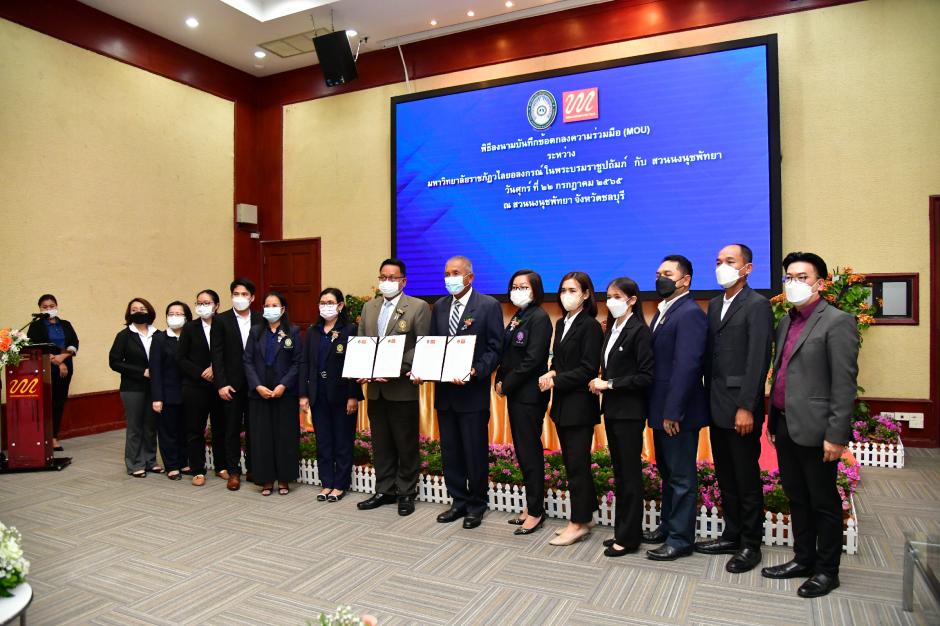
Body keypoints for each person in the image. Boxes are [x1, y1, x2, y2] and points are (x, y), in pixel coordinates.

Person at [762, 251, 859, 598]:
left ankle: (827, 571)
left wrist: (836, 435)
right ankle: (803, 559)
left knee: (823, 502)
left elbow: (844, 385)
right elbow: (782, 372)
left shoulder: (837, 321)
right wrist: (772, 419)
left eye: (802, 277)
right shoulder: (786, 321)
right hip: (785, 423)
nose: (794, 283)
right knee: (796, 496)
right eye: (789, 277)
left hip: (818, 430)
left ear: (820, 283)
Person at [695, 244, 773, 572]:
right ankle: (731, 534)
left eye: (729, 261)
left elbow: (757, 360)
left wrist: (747, 406)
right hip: (716, 404)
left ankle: (750, 544)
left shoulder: (757, 305)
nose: (721, 266)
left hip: (740, 408)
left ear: (747, 268)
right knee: (725, 475)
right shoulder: (714, 304)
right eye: (718, 261)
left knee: (746, 477)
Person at [426, 256, 503, 530]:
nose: (450, 278)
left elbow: (495, 348)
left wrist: (475, 371)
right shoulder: (440, 306)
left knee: (474, 451)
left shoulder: (488, 305)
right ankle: (458, 501)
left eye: (455, 273)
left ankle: (477, 504)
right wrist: (423, 368)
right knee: (451, 452)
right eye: (447, 273)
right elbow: (433, 345)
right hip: (445, 393)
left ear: (470, 277)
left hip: (472, 393)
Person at [356, 259, 431, 516]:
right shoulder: (369, 307)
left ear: (403, 281)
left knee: (405, 443)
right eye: (383, 277)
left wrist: (393, 368)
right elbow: (362, 343)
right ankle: (384, 490)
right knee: (381, 443)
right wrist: (363, 368)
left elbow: (421, 345)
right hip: (375, 390)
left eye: (392, 278)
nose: (386, 282)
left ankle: (406, 492)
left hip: (401, 388)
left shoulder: (418, 307)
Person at [645, 255, 709, 561]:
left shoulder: (690, 313)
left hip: (677, 413)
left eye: (668, 274)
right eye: (659, 273)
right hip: (661, 408)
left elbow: (687, 366)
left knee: (682, 477)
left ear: (685, 280)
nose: (661, 278)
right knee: (668, 473)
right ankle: (668, 527)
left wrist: (673, 412)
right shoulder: (665, 310)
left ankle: (681, 539)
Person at [589, 277, 654, 556]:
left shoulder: (639, 331)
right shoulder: (611, 328)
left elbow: (646, 376)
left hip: (630, 412)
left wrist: (610, 384)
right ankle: (623, 531)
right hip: (614, 411)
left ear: (632, 300)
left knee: (629, 475)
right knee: (621, 474)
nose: (611, 301)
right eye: (609, 296)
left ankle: (629, 538)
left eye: (617, 296)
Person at [538, 271, 603, 546]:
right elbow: (560, 362)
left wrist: (556, 379)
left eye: (573, 290)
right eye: (563, 290)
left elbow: (588, 369)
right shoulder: (561, 322)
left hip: (580, 406)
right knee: (573, 464)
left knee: (577, 466)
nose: (567, 295)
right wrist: (552, 371)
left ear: (586, 294)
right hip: (563, 404)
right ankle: (587, 516)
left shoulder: (590, 326)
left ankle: (578, 523)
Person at [495, 270, 552, 535]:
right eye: (514, 286)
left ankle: (536, 512)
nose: (517, 291)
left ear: (535, 290)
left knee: (530, 453)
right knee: (523, 451)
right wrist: (499, 378)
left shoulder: (539, 317)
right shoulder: (519, 316)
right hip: (517, 394)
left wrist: (506, 384)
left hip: (529, 395)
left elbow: (532, 360)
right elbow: (508, 354)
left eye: (523, 286)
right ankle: (532, 506)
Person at [300, 288, 363, 502]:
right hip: (318, 393)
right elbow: (305, 363)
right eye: (322, 302)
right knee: (324, 441)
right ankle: (326, 483)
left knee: (343, 440)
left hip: (343, 393)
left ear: (340, 305)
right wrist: (304, 394)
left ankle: (340, 485)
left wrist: (353, 395)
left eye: (330, 302)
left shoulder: (350, 329)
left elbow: (355, 363)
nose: (325, 306)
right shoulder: (313, 331)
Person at [243, 292, 303, 496]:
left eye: (274, 305)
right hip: (259, 393)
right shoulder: (256, 331)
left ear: (283, 309)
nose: (270, 309)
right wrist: (257, 385)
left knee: (285, 436)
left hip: (284, 394)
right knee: (262, 438)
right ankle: (266, 479)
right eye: (267, 305)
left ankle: (284, 479)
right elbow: (247, 361)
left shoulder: (293, 331)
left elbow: (297, 362)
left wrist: (283, 385)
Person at [211, 278, 263, 491]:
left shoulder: (261, 318)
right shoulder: (221, 320)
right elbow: (216, 355)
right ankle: (234, 472)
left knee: (254, 428)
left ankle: (253, 469)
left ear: (252, 297)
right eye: (236, 294)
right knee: (231, 429)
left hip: (255, 384)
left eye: (244, 294)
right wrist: (221, 384)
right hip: (231, 386)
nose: (239, 298)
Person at [178, 289, 228, 487]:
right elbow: (181, 358)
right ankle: (198, 469)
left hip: (219, 385)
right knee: (195, 429)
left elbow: (232, 353)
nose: (202, 306)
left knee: (220, 428)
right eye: (199, 303)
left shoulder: (225, 325)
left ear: (216, 305)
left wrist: (216, 368)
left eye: (207, 302)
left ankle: (222, 466)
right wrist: (200, 372)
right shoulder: (190, 328)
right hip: (195, 386)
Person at [108, 297, 160, 477]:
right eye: (134, 309)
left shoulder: (158, 334)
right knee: (135, 426)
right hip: (132, 387)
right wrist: (141, 371)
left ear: (149, 311)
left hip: (154, 387)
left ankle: (150, 461)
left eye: (142, 309)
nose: (138, 312)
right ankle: (135, 463)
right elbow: (114, 362)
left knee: (151, 426)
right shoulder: (124, 336)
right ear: (129, 314)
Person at [27, 294, 79, 451]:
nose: (49, 309)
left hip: (65, 366)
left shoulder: (65, 324)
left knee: (58, 401)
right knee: (45, 401)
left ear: (56, 306)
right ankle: (41, 437)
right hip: (45, 366)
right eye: (45, 307)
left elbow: (74, 343)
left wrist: (62, 358)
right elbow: (34, 346)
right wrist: (57, 361)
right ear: (39, 309)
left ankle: (54, 436)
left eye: (52, 306)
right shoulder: (36, 326)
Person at [150, 301, 192, 480]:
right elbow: (155, 370)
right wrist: (157, 397)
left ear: (187, 317)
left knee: (185, 430)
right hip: (167, 394)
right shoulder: (159, 339)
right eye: (171, 314)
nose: (174, 317)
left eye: (178, 314)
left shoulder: (191, 336)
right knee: (168, 431)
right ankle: (172, 465)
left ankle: (184, 462)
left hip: (189, 393)